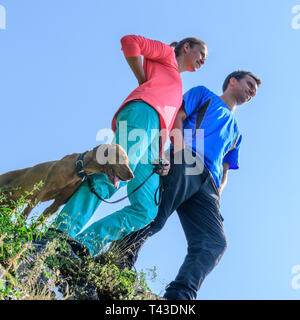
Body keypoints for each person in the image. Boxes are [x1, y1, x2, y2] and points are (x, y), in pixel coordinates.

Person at [52, 35, 208, 257]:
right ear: (186, 47)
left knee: (146, 209)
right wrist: (143, 79)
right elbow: (130, 41)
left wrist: (161, 155)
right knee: (111, 175)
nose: (203, 60)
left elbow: (167, 123)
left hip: (154, 138)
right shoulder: (166, 54)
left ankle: (83, 245)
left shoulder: (176, 82)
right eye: (201, 53)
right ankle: (59, 232)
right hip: (142, 113)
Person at [115, 70, 261, 300]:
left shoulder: (237, 134)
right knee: (155, 216)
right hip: (187, 160)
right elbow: (178, 117)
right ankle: (118, 260)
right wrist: (180, 151)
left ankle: (180, 296)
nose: (253, 90)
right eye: (250, 83)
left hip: (209, 185)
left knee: (214, 242)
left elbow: (226, 166)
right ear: (232, 81)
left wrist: (220, 190)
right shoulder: (204, 95)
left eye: (255, 89)